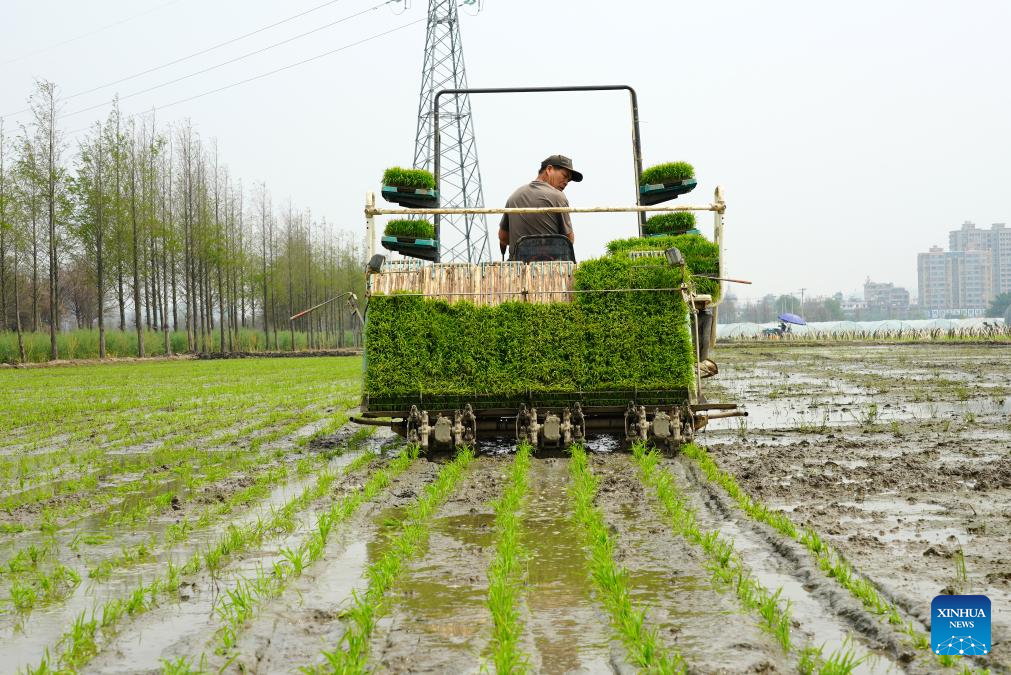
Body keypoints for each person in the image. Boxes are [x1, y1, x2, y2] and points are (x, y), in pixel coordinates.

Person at [498, 154, 583, 260]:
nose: (566, 182)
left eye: (569, 180)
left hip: (517, 266)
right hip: (550, 267)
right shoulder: (558, 197)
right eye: (565, 176)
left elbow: (503, 237)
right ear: (549, 169)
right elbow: (569, 240)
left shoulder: (514, 196)